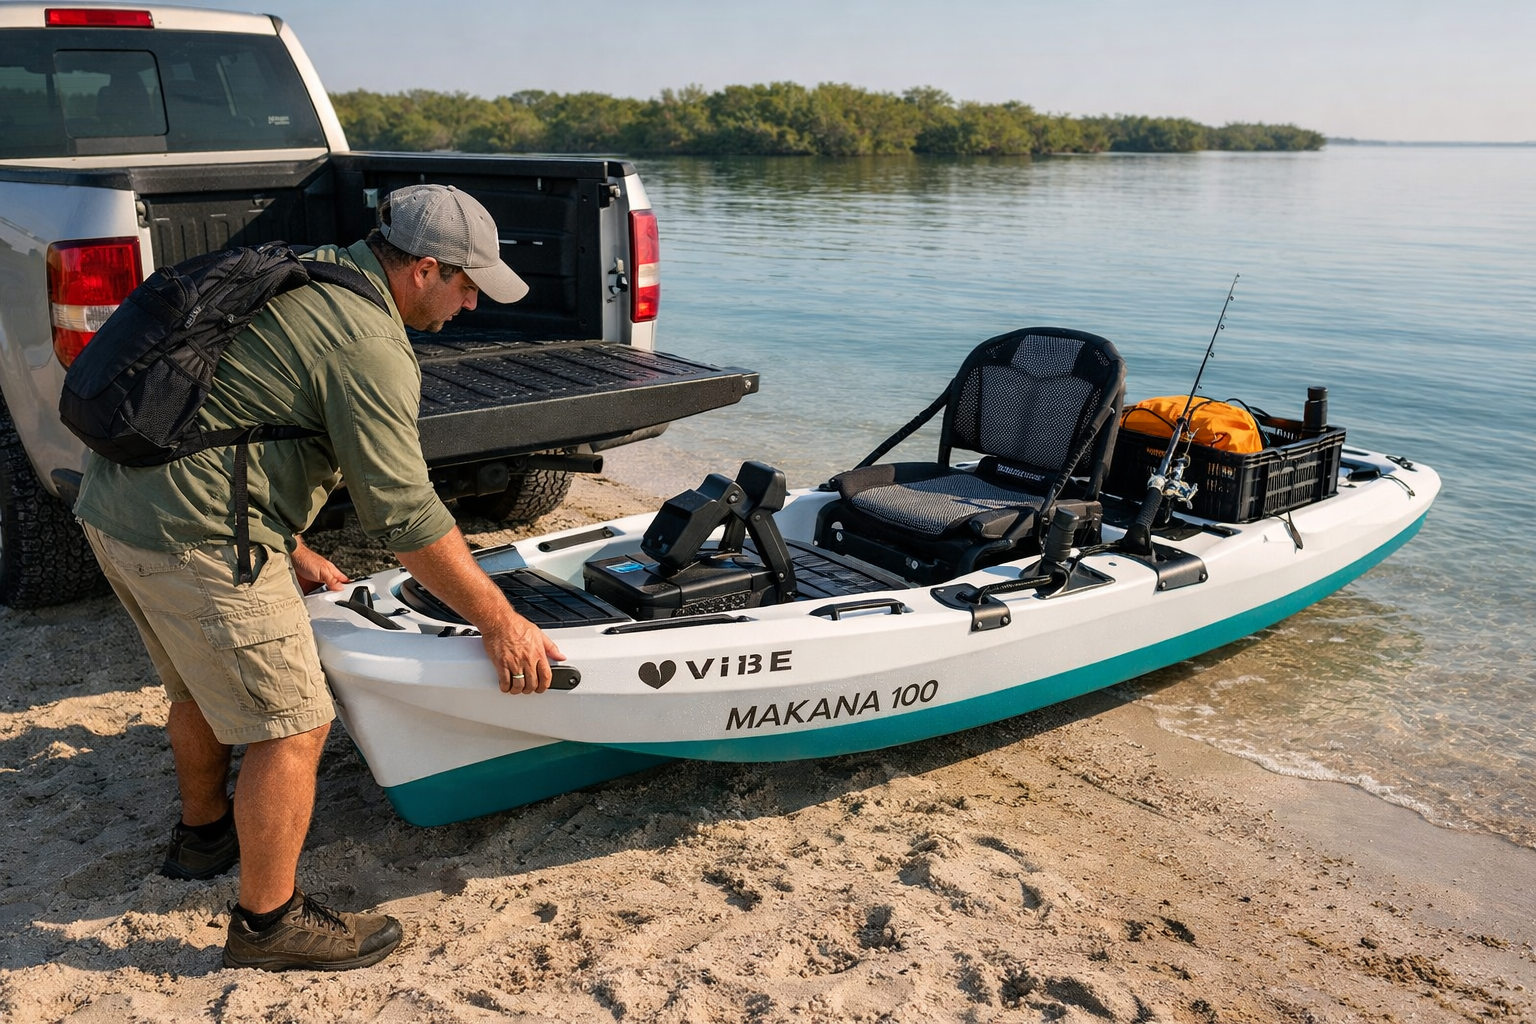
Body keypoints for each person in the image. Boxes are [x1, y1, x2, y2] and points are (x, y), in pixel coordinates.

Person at [73, 184, 564, 972]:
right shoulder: (367, 343)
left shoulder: (311, 268)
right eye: (467, 285)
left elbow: (241, 404)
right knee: (293, 725)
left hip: (117, 507)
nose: (470, 305)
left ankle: (204, 840)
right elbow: (405, 517)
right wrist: (497, 619)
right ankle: (269, 925)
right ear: (424, 269)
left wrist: (291, 543)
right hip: (196, 535)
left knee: (197, 687)